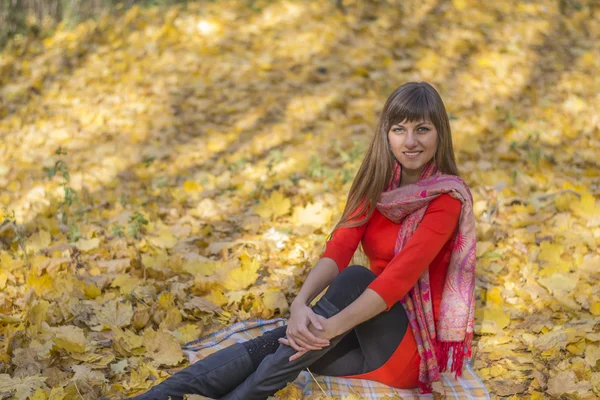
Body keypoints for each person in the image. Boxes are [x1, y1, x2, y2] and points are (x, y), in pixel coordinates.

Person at [127, 81, 477, 400]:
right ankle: (160, 395)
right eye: (399, 129)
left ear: (439, 133)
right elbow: (340, 246)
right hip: (357, 332)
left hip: (405, 349)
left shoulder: (446, 199)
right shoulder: (376, 181)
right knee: (277, 342)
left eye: (422, 129)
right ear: (386, 134)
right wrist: (300, 306)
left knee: (353, 280)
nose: (410, 141)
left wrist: (325, 329)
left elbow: (396, 280)